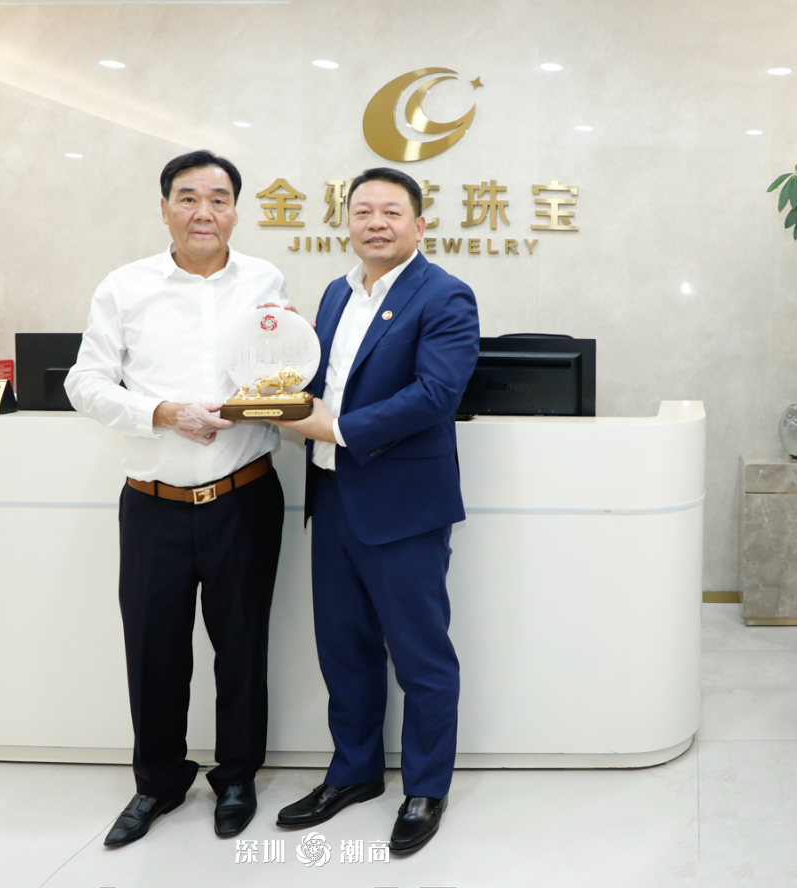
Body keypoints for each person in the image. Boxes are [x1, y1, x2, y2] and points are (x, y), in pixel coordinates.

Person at [65, 150, 290, 846]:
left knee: (242, 648)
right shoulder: (125, 286)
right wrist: (162, 413)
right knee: (154, 649)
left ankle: (237, 778)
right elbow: (84, 383)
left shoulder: (265, 280)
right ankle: (158, 782)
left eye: (219, 199)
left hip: (244, 496)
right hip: (153, 501)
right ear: (164, 209)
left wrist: (277, 386)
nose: (204, 212)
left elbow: (283, 371)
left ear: (235, 211)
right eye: (188, 198)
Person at [270, 167, 480, 854]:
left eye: (392, 211)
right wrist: (269, 383)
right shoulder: (336, 292)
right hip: (332, 498)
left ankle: (426, 787)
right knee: (345, 650)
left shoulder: (445, 295)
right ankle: (354, 772)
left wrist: (335, 428)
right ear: (348, 223)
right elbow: (323, 379)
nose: (376, 223)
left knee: (421, 657)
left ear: (420, 224)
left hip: (403, 506)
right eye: (363, 211)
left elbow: (436, 394)